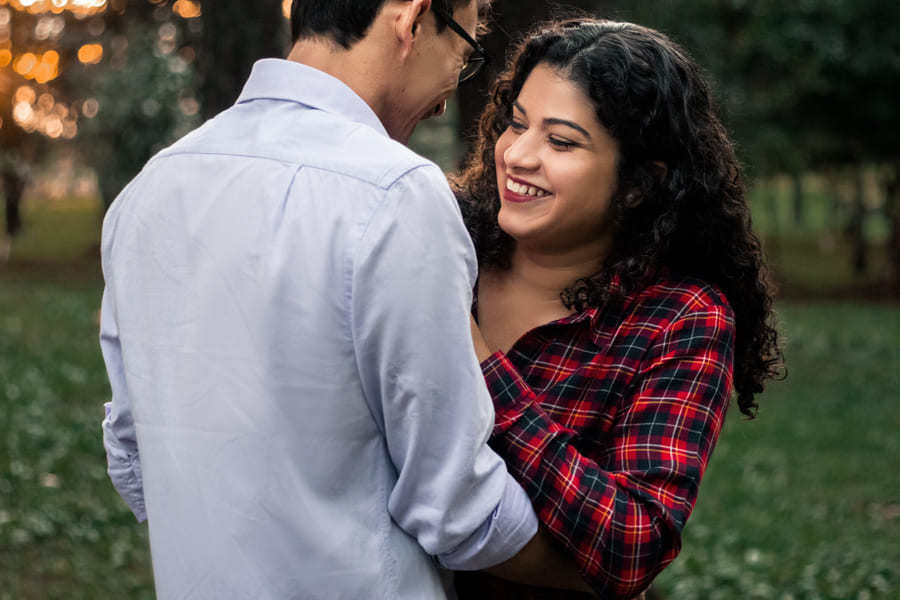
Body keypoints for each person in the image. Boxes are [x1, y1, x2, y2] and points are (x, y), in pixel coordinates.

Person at [98, 2, 590, 598]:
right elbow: (456, 502)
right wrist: (590, 575)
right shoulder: (396, 196)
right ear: (411, 21)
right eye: (461, 55)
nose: (443, 99)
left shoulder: (148, 190)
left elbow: (131, 454)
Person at [452, 19, 783, 599]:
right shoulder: (443, 241)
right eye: (517, 124)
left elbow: (633, 541)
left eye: (561, 141)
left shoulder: (680, 318)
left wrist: (480, 365)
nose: (518, 155)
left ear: (637, 184)